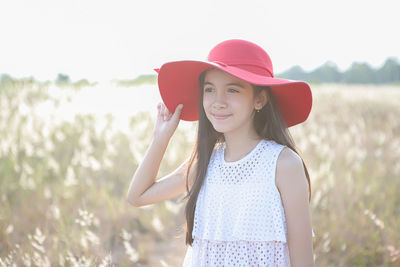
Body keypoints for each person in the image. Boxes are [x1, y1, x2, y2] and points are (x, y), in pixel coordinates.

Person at [126, 39, 315, 266]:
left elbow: (303, 260)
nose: (218, 102)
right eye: (209, 89)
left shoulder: (283, 164)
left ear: (259, 99)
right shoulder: (206, 162)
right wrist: (161, 138)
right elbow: (138, 196)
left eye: (232, 90)